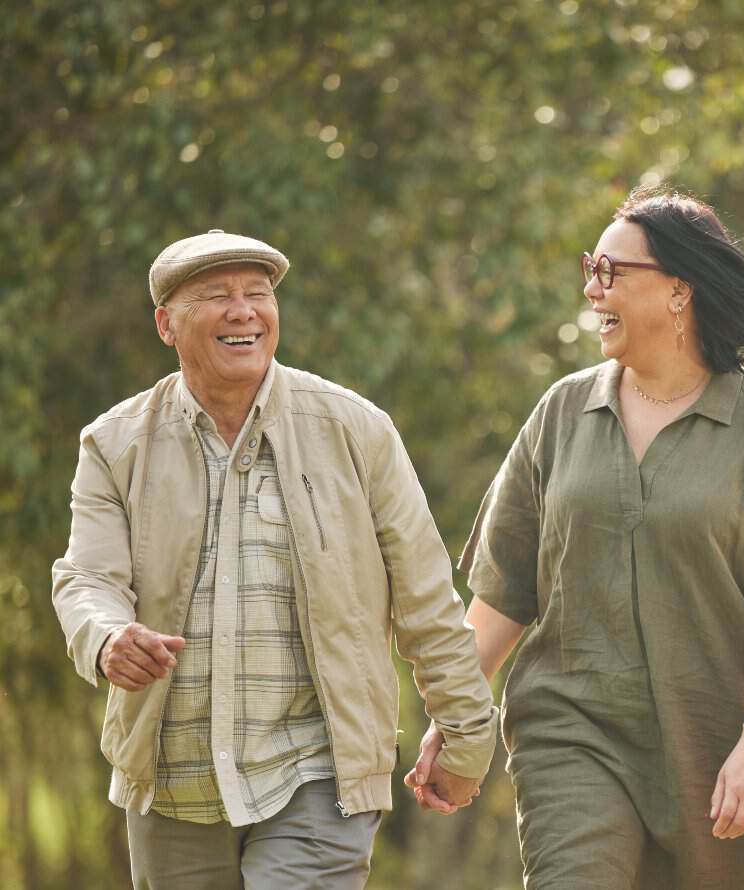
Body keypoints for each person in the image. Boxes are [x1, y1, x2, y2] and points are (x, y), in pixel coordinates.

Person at [406, 189, 744, 888]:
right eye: (591, 268)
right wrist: (457, 716)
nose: (593, 289)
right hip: (573, 730)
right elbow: (503, 592)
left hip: (719, 737)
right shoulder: (562, 412)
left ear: (679, 290)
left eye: (611, 272)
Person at [52, 230, 499, 890]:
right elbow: (87, 576)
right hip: (172, 778)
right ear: (165, 325)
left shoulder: (356, 431)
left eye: (257, 294)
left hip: (319, 772)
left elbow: (425, 596)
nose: (243, 311)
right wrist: (108, 636)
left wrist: (465, 735)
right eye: (215, 296)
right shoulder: (115, 442)